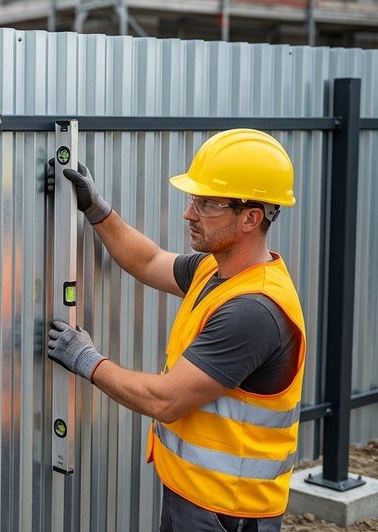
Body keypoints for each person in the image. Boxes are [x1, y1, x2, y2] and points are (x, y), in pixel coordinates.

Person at [46, 129, 305, 532]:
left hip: (226, 513)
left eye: (207, 203)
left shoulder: (253, 311)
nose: (189, 213)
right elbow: (149, 261)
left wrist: (87, 360)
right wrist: (98, 211)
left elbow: (165, 401)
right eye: (193, 199)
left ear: (251, 218)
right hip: (197, 497)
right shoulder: (214, 271)